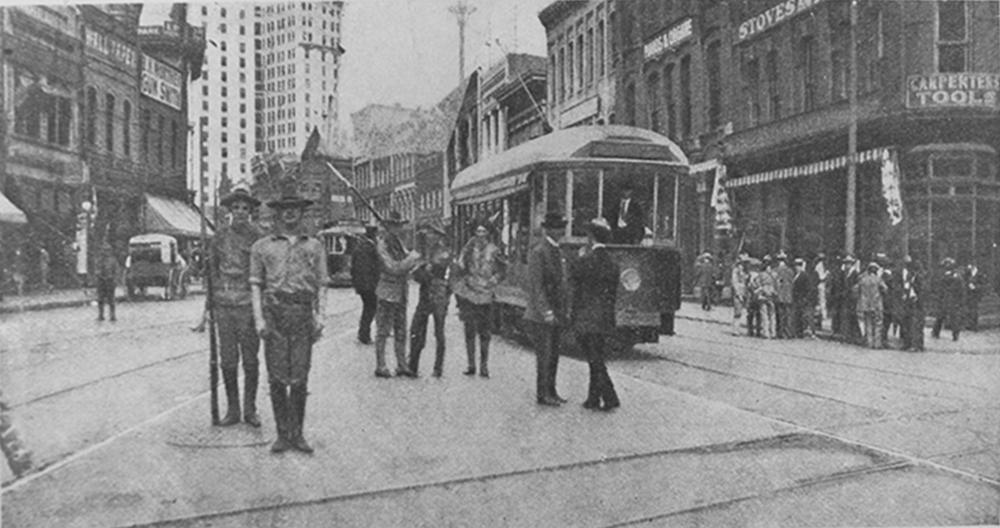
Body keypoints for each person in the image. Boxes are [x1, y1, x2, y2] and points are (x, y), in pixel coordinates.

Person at [249, 185, 326, 454]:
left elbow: (321, 284)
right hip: (275, 314)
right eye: (285, 209)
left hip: (302, 314)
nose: (290, 213)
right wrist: (259, 319)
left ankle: (298, 434)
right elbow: (256, 285)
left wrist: (320, 317)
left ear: (302, 213)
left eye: (295, 209)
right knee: (277, 377)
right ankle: (282, 434)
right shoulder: (261, 247)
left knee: (301, 376)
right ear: (278, 213)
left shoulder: (314, 245)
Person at [206, 188, 265, 427]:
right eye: (236, 208)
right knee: (228, 360)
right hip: (224, 305)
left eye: (245, 208)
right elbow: (212, 271)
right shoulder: (219, 236)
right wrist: (209, 304)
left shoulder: (258, 237)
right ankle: (233, 409)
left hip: (248, 305)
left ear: (250, 212)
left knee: (250, 360)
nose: (240, 212)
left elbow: (264, 272)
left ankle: (250, 410)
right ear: (230, 211)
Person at [569, 218, 620, 411]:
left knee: (594, 360)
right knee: (596, 358)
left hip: (586, 317)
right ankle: (594, 399)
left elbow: (574, 279)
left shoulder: (586, 261)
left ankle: (610, 397)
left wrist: (580, 256)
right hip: (605, 317)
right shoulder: (613, 262)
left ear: (591, 238)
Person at [524, 212, 569, 406]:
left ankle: (552, 390)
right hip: (542, 316)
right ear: (548, 229)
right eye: (558, 227)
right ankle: (543, 394)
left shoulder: (557, 250)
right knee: (545, 356)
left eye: (562, 227)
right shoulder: (539, 251)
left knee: (554, 355)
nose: (561, 231)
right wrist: (546, 311)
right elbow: (537, 286)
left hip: (556, 312)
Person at [373, 211, 422, 378]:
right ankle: (381, 365)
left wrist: (415, 264)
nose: (398, 228)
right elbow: (392, 267)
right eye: (395, 225)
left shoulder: (399, 243)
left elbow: (407, 265)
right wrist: (411, 260)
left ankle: (402, 364)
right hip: (387, 291)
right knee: (383, 330)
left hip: (401, 291)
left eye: (399, 225)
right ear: (388, 227)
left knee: (401, 329)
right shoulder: (382, 244)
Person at [453, 219, 503, 377]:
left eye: (483, 232)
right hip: (470, 293)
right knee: (469, 330)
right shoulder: (468, 249)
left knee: (485, 332)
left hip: (486, 294)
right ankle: (471, 364)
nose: (480, 235)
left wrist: (493, 281)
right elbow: (460, 267)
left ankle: (484, 365)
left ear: (488, 233)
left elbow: (502, 270)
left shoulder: (494, 250)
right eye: (478, 232)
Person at [408, 223, 452, 378]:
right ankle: (413, 364)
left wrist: (424, 268)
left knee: (438, 332)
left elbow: (435, 270)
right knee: (417, 329)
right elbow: (418, 274)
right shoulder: (426, 251)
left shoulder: (443, 252)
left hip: (438, 295)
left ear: (438, 235)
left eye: (431, 234)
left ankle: (438, 367)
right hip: (426, 294)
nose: (428, 236)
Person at [350, 225, 379, 344]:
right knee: (370, 308)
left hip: (361, 284)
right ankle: (364, 335)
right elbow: (373, 267)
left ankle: (363, 333)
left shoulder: (359, 247)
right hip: (370, 284)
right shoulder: (370, 248)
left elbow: (353, 267)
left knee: (367, 308)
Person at [931, 257, 965, 342]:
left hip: (949, 300)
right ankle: (939, 333)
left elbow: (960, 289)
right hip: (949, 300)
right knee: (944, 317)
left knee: (948, 317)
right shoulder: (954, 276)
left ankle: (953, 334)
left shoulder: (952, 276)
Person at [856, 262, 887, 349]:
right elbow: (885, 289)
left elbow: (856, 289)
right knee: (878, 324)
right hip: (876, 304)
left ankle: (869, 342)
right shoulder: (878, 279)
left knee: (868, 324)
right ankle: (877, 343)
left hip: (865, 305)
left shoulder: (863, 279)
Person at [898, 256, 924, 352]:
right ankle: (908, 343)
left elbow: (921, 291)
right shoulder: (910, 277)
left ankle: (916, 345)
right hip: (908, 302)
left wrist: (915, 295)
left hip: (916, 303)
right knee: (907, 324)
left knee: (915, 324)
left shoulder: (919, 278)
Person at [791, 257, 818, 338]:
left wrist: (805, 298)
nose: (796, 267)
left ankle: (806, 332)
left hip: (802, 298)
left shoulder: (804, 275)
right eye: (795, 266)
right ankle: (799, 332)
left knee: (804, 316)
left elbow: (808, 288)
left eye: (798, 266)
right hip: (797, 298)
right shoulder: (796, 275)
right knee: (798, 316)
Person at [95, 240, 119, 322]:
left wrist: (114, 280)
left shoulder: (113, 260)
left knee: (111, 300)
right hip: (101, 281)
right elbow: (96, 270)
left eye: (107, 250)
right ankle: (101, 315)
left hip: (110, 281)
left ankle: (112, 315)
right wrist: (99, 275)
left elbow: (116, 271)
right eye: (104, 250)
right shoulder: (99, 260)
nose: (105, 252)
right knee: (100, 299)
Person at [841, 255, 863, 344]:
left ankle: (855, 336)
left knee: (852, 317)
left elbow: (855, 287)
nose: (847, 265)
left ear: (852, 264)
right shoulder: (846, 273)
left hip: (852, 299)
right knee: (848, 317)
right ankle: (848, 336)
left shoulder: (855, 274)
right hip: (846, 299)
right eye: (846, 263)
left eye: (848, 263)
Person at [773, 252, 795, 339]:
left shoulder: (775, 270)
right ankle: (788, 332)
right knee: (788, 315)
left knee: (780, 315)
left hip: (779, 296)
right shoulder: (790, 271)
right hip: (789, 296)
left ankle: (780, 332)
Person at [731, 254, 750, 336]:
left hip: (745, 292)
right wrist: (738, 294)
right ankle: (735, 329)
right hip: (739, 293)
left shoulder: (745, 271)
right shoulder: (735, 271)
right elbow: (734, 283)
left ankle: (740, 328)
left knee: (745, 311)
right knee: (737, 312)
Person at [964, 264, 984, 331]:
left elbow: (982, 285)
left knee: (974, 311)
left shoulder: (980, 275)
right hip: (969, 295)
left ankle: (974, 326)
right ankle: (969, 325)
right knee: (969, 310)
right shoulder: (969, 274)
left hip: (975, 295)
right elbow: (966, 282)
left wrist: (975, 287)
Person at [813, 253, 829, 330]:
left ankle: (821, 318)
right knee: (822, 302)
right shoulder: (820, 266)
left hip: (821, 284)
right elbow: (821, 277)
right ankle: (822, 318)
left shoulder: (819, 265)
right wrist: (826, 274)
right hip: (821, 284)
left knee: (821, 302)